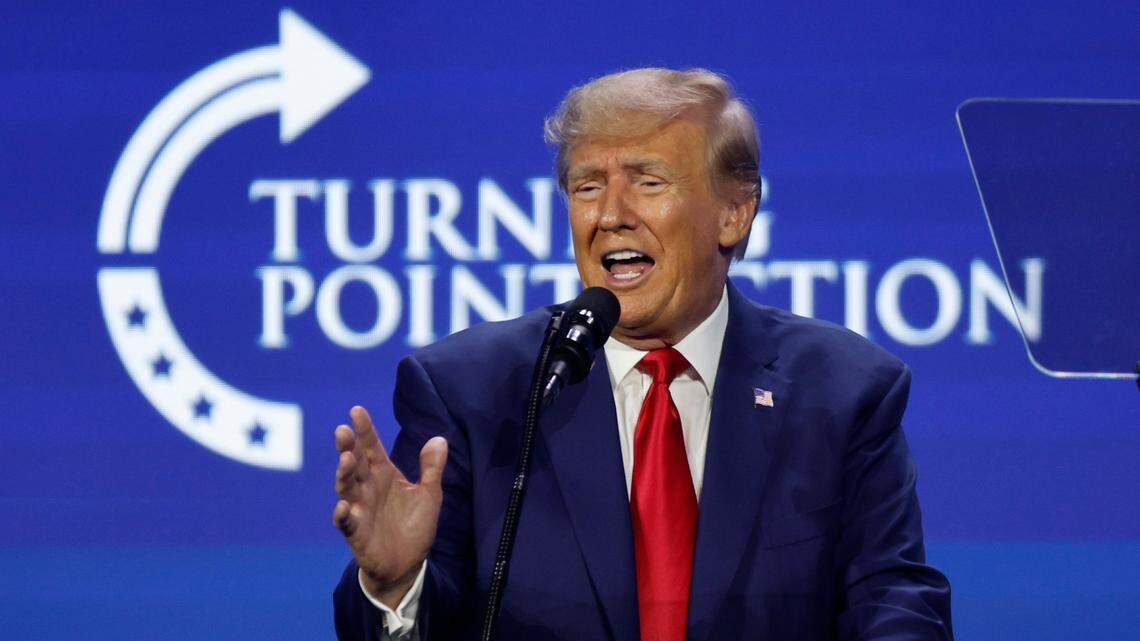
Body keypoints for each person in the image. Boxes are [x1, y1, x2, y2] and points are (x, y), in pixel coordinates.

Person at [332, 68, 953, 641]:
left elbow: (894, 604)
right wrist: (394, 587)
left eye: (648, 182)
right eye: (587, 187)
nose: (609, 215)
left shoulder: (843, 392)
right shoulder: (474, 391)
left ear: (735, 213)